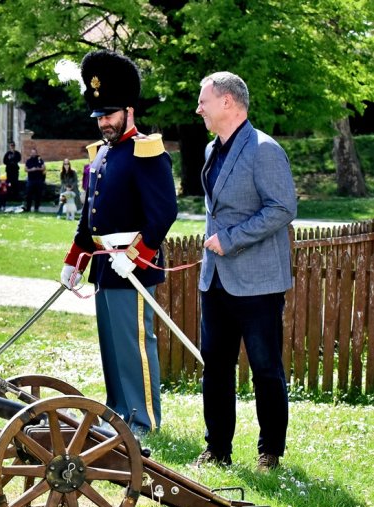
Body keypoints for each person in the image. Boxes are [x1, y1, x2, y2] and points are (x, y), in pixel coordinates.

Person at [59, 50, 178, 436]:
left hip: (131, 265)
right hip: (104, 265)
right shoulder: (101, 155)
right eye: (98, 117)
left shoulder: (147, 151)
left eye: (108, 115)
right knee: (111, 348)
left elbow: (163, 213)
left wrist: (139, 256)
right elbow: (89, 216)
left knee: (135, 347)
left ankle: (143, 421)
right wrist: (75, 258)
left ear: (128, 110)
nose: (103, 123)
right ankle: (118, 415)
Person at [192, 72, 297, 472]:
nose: (198, 108)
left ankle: (270, 452)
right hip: (215, 279)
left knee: (266, 369)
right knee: (215, 368)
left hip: (258, 283)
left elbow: (282, 208)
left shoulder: (265, 149)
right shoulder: (209, 150)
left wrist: (231, 238)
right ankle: (217, 449)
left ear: (228, 103)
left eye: (204, 101)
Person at [23, 147, 46, 212]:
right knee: (28, 194)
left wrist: (37, 169)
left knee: (38, 195)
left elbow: (43, 168)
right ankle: (28, 208)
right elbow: (25, 169)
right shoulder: (29, 160)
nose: (33, 154)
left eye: (34, 152)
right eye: (32, 152)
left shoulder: (39, 160)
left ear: (36, 153)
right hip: (31, 180)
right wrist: (31, 170)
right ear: (30, 153)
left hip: (38, 180)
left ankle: (36, 208)